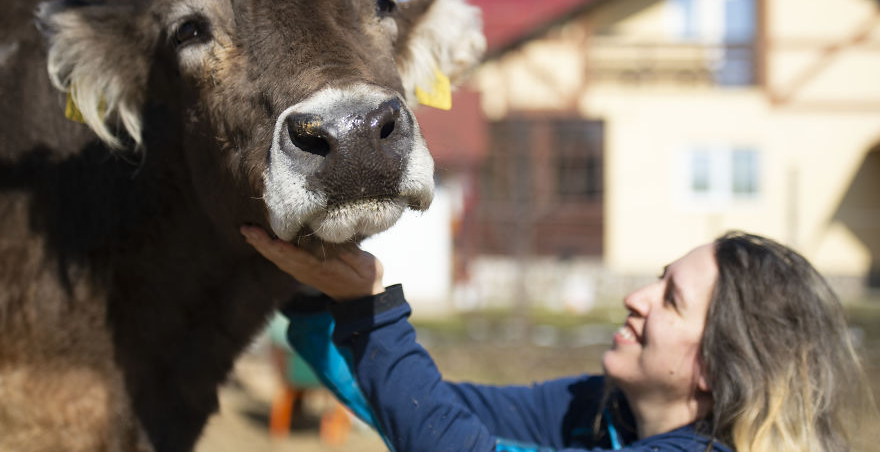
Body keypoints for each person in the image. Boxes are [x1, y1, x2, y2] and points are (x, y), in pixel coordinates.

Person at [240, 227, 872, 452]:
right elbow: (423, 416)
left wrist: (371, 307)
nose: (636, 299)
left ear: (717, 367)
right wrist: (312, 296)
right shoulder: (600, 410)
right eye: (657, 282)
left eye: (671, 300)